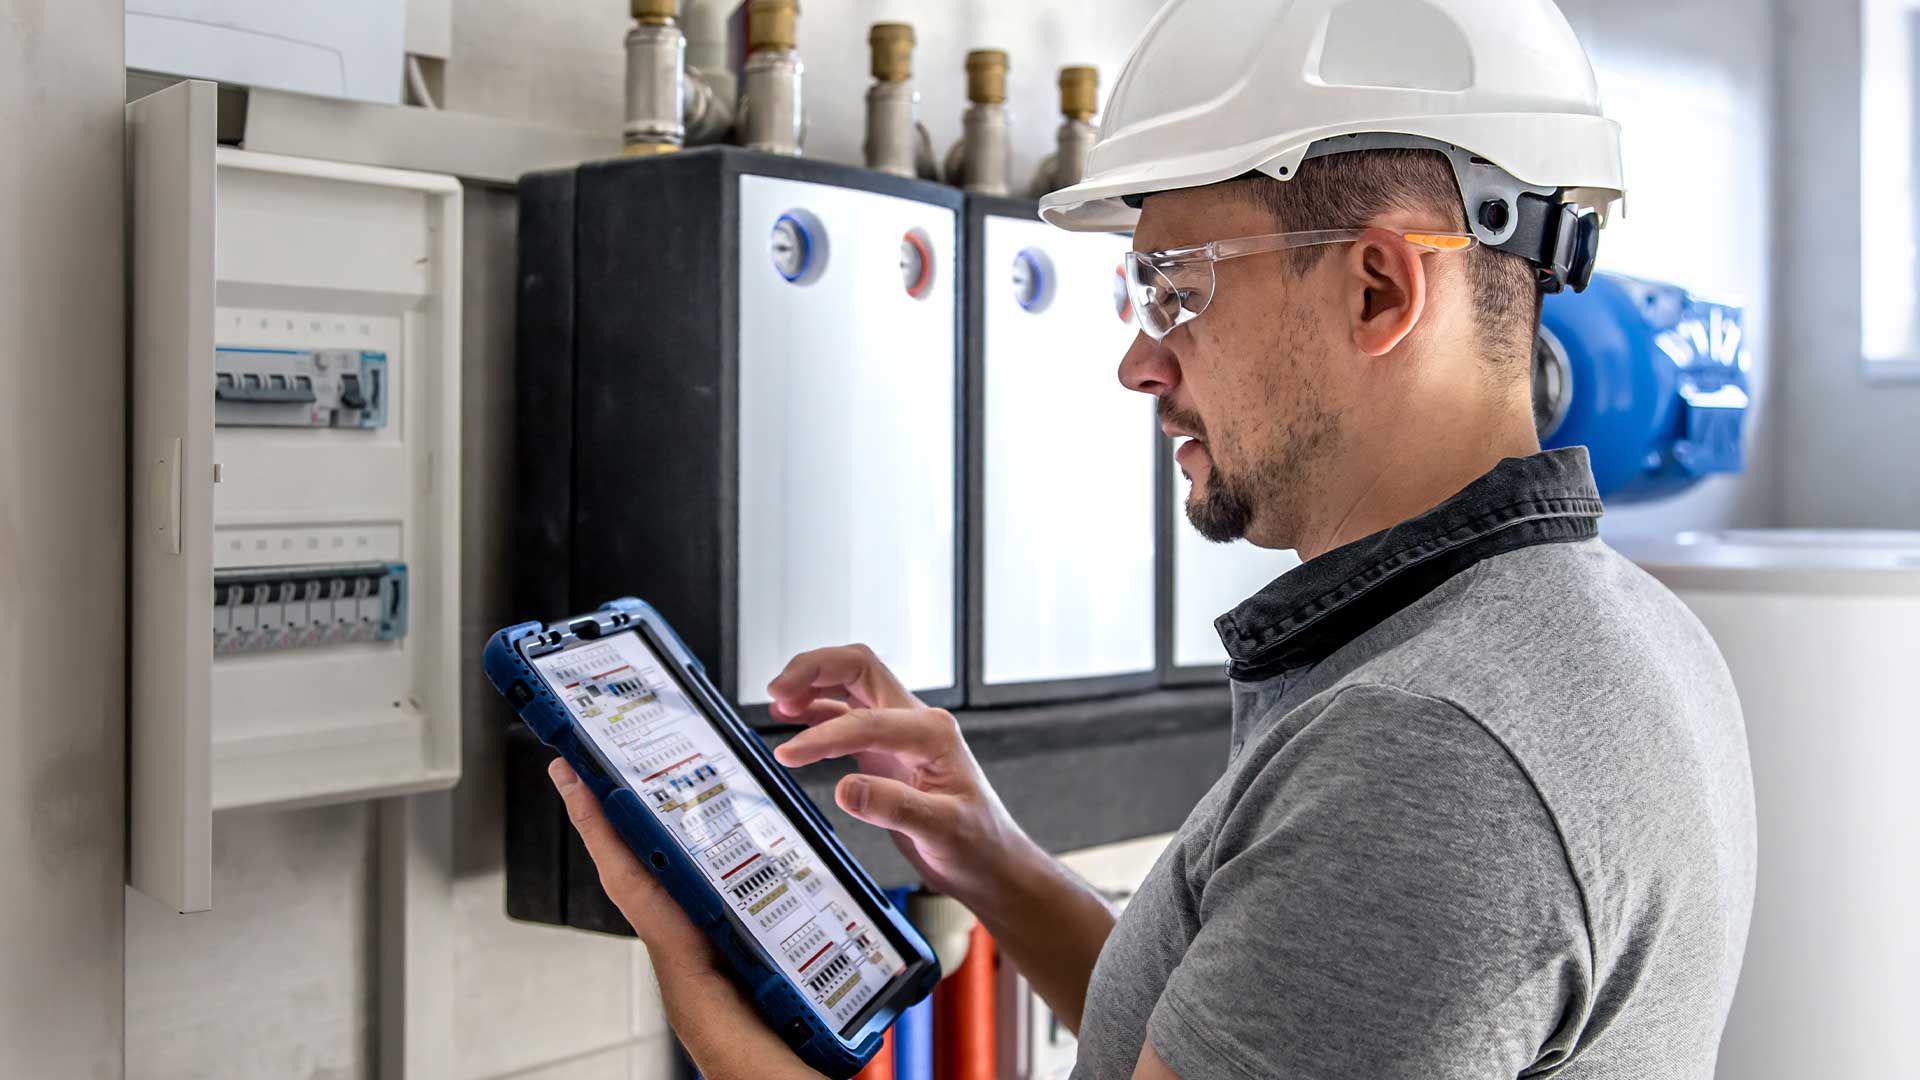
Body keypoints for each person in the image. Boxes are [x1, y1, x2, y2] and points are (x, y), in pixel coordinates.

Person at [548, 1, 1757, 1076]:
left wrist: (707, 1003)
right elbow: (1249, 1032)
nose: (1140, 360)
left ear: (1380, 291)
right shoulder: (1609, 626)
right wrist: (993, 857)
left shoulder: (1428, 753)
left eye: (1180, 288)